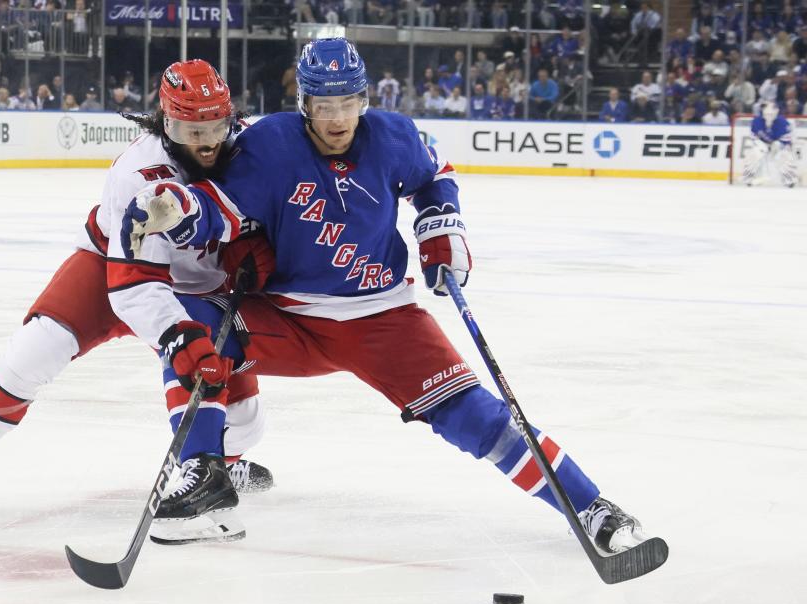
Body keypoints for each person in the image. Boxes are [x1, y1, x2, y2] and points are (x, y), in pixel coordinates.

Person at [119, 38, 652, 554]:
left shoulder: (394, 136)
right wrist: (180, 208)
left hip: (384, 318)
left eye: (348, 102)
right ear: (303, 103)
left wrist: (441, 227)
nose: (336, 119)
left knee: (480, 419)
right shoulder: (271, 144)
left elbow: (434, 174)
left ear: (365, 99)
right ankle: (205, 478)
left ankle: (591, 508)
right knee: (191, 325)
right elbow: (221, 206)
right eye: (324, 105)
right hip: (291, 318)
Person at [0, 60, 275, 516]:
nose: (206, 144)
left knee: (244, 421)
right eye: (190, 130)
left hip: (201, 285)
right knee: (37, 347)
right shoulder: (138, 175)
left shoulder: (250, 148)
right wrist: (174, 335)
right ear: (167, 123)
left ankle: (219, 462)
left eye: (215, 128)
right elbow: (136, 287)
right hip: (116, 268)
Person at [743, 102, 798, 187]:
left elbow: (788, 138)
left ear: (776, 112)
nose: (769, 115)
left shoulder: (783, 122)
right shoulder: (757, 121)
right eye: (767, 113)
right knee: (753, 155)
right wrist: (760, 144)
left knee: (784, 156)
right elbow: (753, 136)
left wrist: (778, 144)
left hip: (778, 146)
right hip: (762, 145)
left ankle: (789, 179)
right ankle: (749, 178)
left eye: (771, 113)